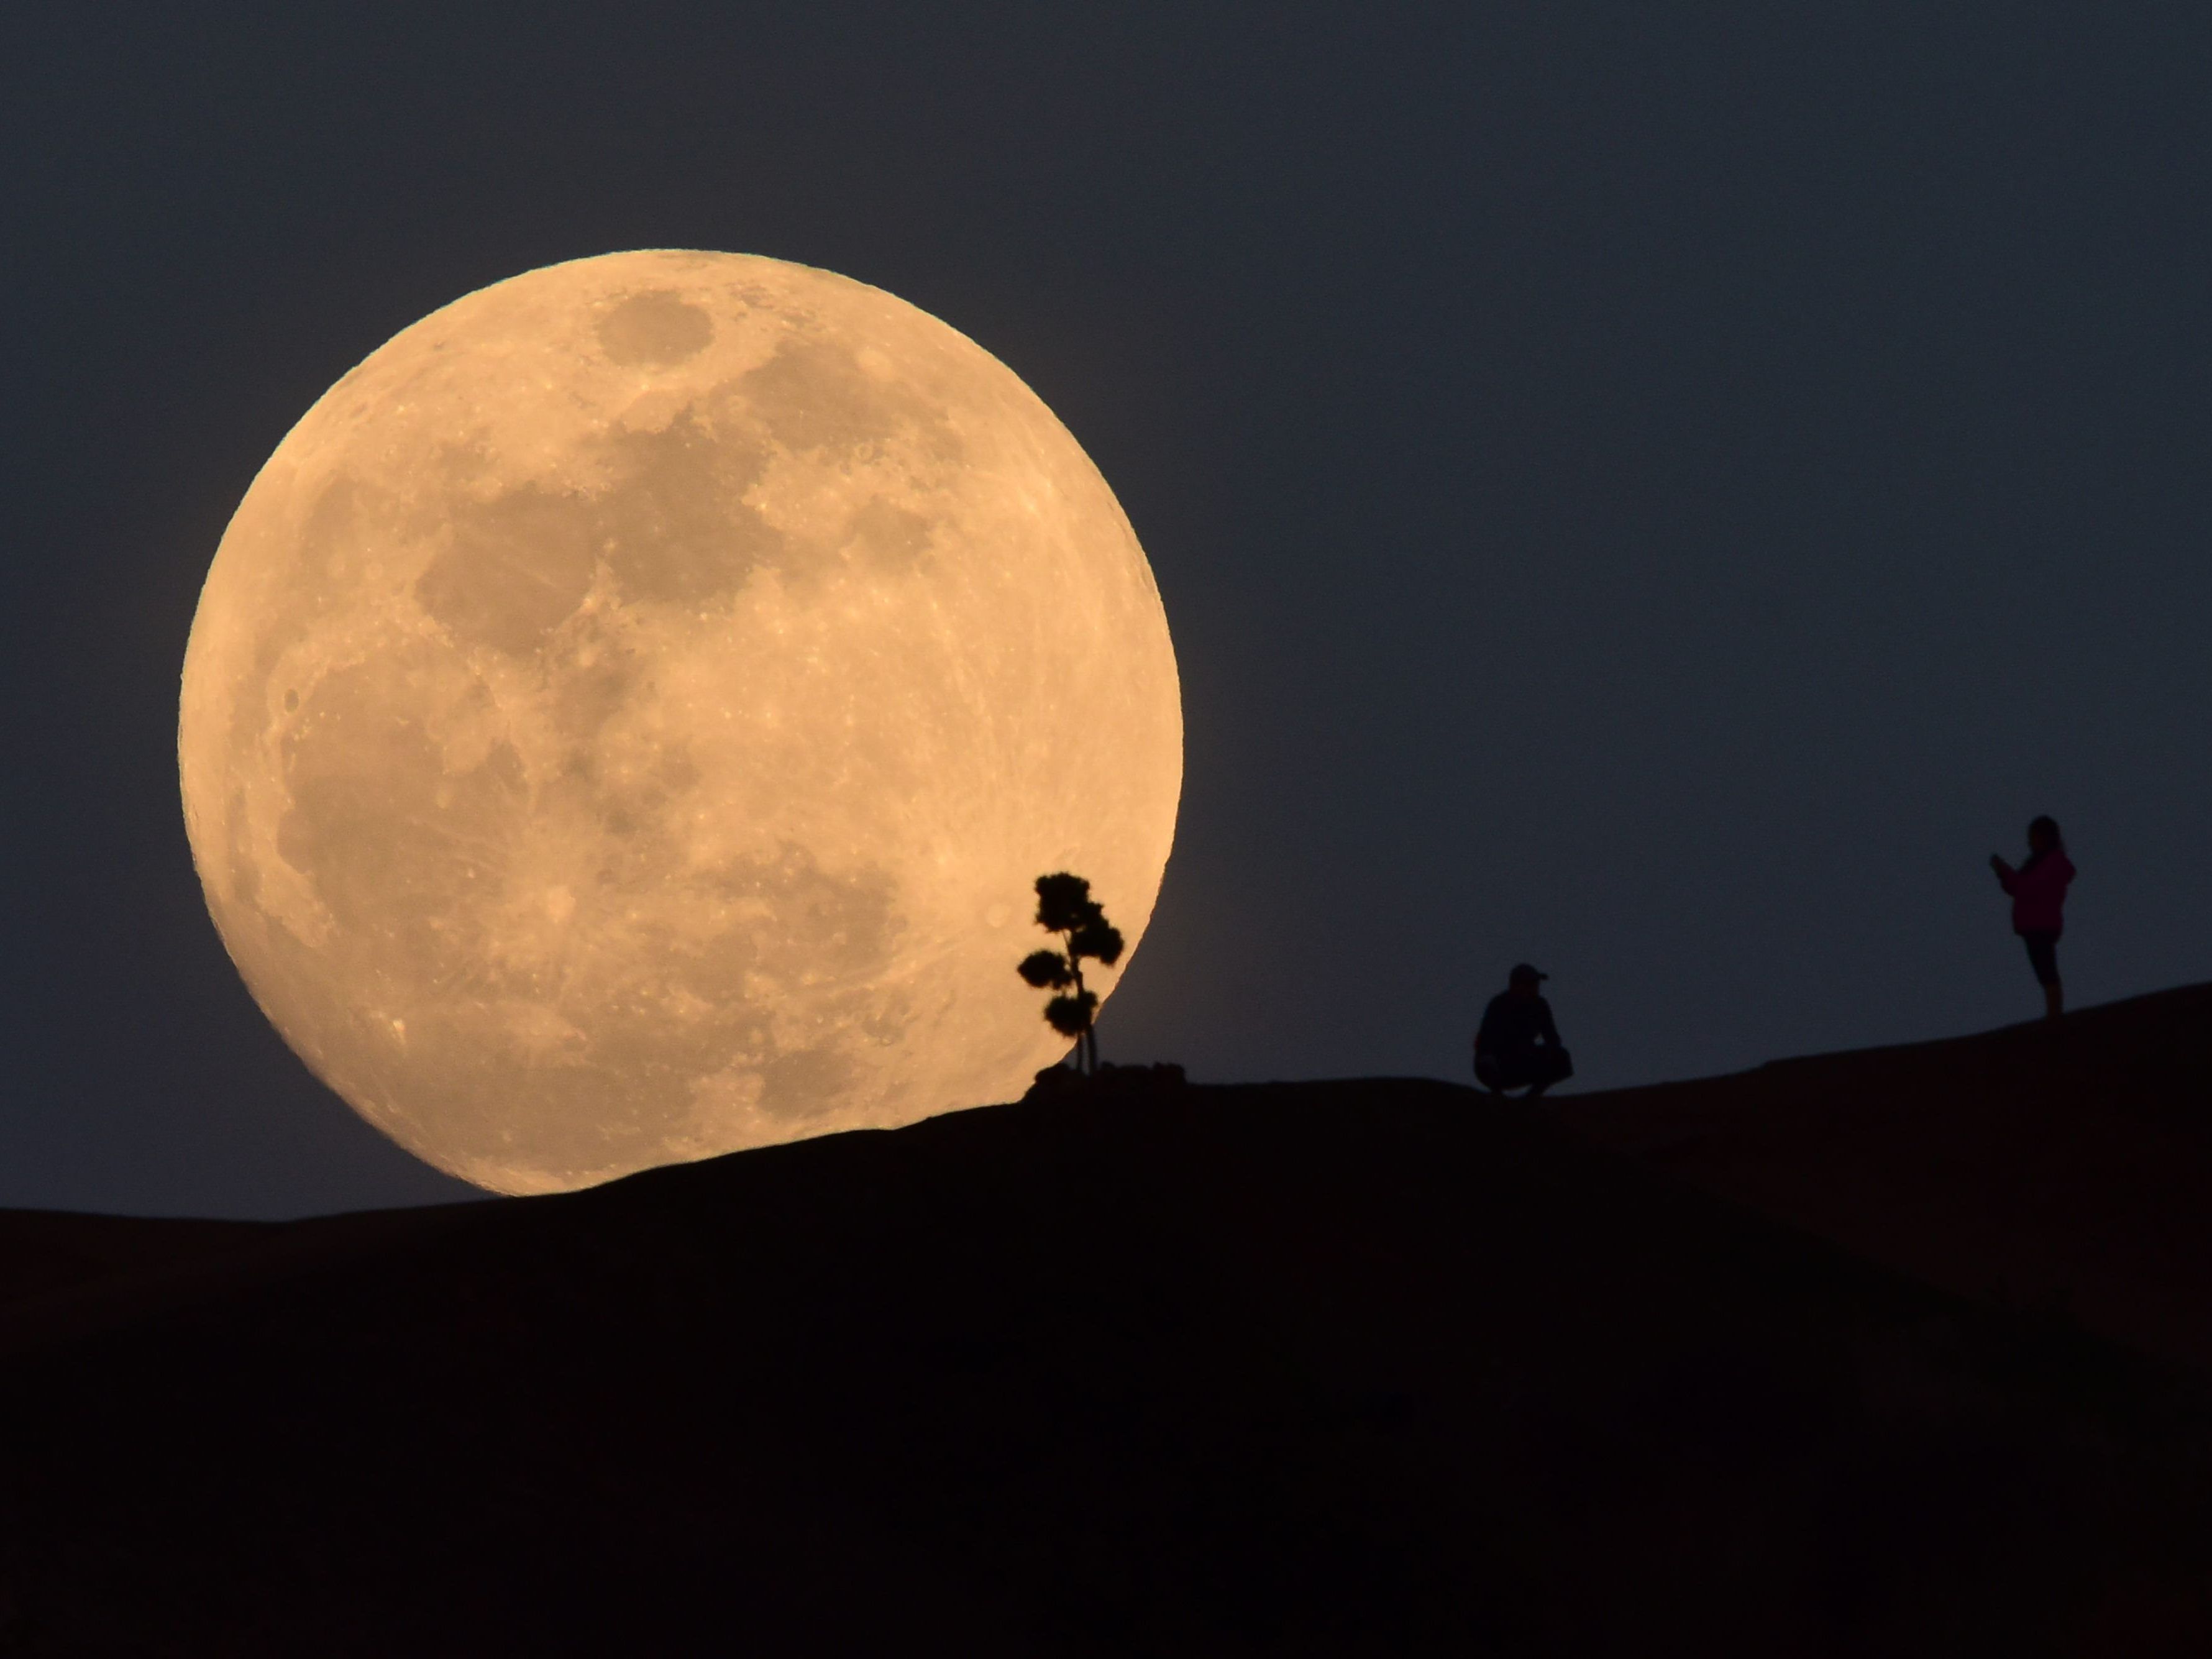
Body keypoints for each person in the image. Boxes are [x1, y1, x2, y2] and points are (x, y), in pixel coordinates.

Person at [1991, 815, 2075, 1022]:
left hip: (2041, 924)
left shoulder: (2052, 862)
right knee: (2044, 971)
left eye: (2033, 837)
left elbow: (2026, 888)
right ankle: (2054, 1014)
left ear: (2044, 837)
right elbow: (2017, 887)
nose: (2029, 842)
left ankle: (2055, 1016)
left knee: (2047, 971)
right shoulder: (2039, 862)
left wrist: (2005, 873)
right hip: (2034, 924)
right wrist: (2004, 873)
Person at [1474, 964, 1574, 1098]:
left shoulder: (1540, 1006)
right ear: (1517, 985)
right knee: (1487, 1063)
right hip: (1500, 1063)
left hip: (1524, 1059)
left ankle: (1530, 1099)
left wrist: (1549, 1055)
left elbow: (1552, 1039)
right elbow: (1485, 1042)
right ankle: (1499, 1099)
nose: (1535, 988)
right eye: (1530, 984)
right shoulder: (1500, 1005)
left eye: (1535, 984)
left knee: (1562, 1058)